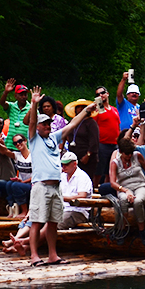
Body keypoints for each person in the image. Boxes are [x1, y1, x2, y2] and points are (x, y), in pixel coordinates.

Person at [25, 86, 94, 266]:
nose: (47, 126)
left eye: (49, 123)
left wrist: (86, 111)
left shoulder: (53, 138)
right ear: (39, 126)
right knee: (37, 222)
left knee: (53, 222)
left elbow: (71, 124)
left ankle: (52, 255)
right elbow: (31, 123)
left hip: (56, 186)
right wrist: (34, 103)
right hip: (41, 185)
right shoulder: (34, 138)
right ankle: (34, 256)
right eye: (44, 124)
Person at [109, 131, 145, 242]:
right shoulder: (115, 163)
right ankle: (123, 230)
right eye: (127, 154)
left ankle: (142, 231)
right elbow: (112, 183)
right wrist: (125, 190)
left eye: (131, 153)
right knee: (123, 201)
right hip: (124, 187)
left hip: (141, 185)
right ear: (121, 152)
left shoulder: (137, 156)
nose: (129, 156)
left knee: (138, 201)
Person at [92, 85, 120, 185]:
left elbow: (118, 126)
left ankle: (107, 190)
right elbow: (93, 127)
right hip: (102, 143)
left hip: (114, 144)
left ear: (107, 94)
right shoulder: (97, 110)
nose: (101, 95)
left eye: (102, 93)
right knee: (98, 171)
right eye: (98, 94)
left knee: (111, 172)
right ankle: (93, 191)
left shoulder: (114, 110)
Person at [65, 99, 99, 180]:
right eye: (78, 107)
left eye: (83, 107)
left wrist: (88, 155)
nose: (80, 109)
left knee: (85, 179)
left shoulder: (91, 123)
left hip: (86, 157)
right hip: (73, 155)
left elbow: (94, 140)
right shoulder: (72, 122)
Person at [58, 151, 93, 229]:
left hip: (78, 212)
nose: (64, 167)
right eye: (62, 164)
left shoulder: (82, 176)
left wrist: (63, 198)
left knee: (58, 222)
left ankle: (32, 240)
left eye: (66, 164)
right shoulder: (61, 176)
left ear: (74, 164)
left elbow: (82, 196)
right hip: (62, 209)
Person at [0, 79, 30, 149]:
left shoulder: (31, 108)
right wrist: (6, 92)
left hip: (24, 145)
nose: (23, 97)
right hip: (10, 144)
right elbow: (2, 103)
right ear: (15, 96)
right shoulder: (11, 106)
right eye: (21, 95)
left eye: (25, 94)